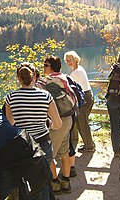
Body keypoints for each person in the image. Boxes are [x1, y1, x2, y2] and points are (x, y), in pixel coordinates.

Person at [4, 63, 63, 199]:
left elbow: (10, 124)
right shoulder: (45, 96)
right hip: (43, 144)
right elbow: (58, 124)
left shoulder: (11, 97)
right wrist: (49, 125)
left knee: (27, 183)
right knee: (42, 181)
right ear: (34, 77)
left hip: (23, 147)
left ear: (19, 78)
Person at [43, 55, 76, 195]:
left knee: (50, 154)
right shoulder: (64, 77)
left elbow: (46, 104)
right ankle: (66, 183)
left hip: (57, 121)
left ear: (51, 67)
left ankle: (55, 183)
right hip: (69, 118)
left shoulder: (50, 81)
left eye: (46, 65)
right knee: (65, 152)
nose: (43, 67)